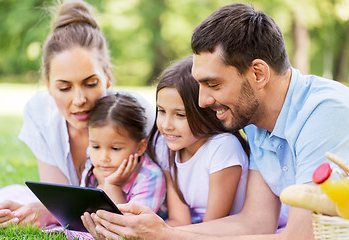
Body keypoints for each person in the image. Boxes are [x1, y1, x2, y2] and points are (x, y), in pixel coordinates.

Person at [79, 3, 349, 240]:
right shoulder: (257, 124)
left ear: (258, 74)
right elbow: (256, 221)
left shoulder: (326, 113)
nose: (202, 101)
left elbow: (301, 237)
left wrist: (167, 238)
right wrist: (157, 231)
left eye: (213, 84)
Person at [0, 0, 154, 229]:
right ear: (47, 85)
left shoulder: (138, 113)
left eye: (90, 83)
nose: (79, 100)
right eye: (64, 87)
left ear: (108, 76)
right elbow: (60, 203)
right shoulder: (41, 114)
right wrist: (43, 210)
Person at [82, 55, 249, 233]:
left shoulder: (222, 148)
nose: (167, 125)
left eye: (180, 115)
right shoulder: (165, 146)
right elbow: (179, 218)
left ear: (204, 111)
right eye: (161, 111)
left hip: (219, 229)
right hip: (190, 227)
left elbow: (213, 225)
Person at [80, 93, 166, 214]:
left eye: (115, 148)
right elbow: (81, 212)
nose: (103, 158)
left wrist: (111, 186)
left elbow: (129, 226)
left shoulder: (150, 176)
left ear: (140, 147)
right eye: (96, 146)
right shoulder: (92, 166)